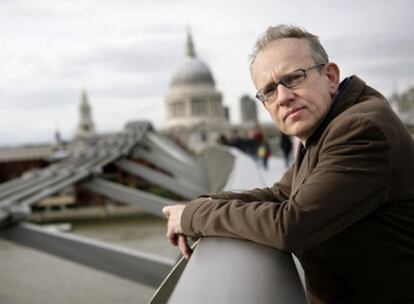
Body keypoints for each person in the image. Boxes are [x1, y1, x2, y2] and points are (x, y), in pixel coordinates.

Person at [162, 25, 414, 303]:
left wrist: (194, 217)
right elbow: (278, 195)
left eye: (293, 78)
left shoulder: (360, 129)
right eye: (269, 90)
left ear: (330, 76)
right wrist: (200, 204)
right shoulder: (326, 128)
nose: (283, 97)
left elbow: (291, 225)